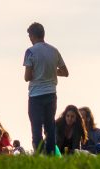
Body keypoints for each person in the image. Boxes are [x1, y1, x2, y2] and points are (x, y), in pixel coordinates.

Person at [23, 22, 69, 155]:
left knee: (36, 128)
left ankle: (38, 155)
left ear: (32, 35)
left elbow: (27, 76)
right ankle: (51, 155)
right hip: (51, 94)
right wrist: (52, 72)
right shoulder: (54, 51)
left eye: (29, 36)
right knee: (50, 127)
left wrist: (37, 72)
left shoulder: (30, 52)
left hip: (36, 95)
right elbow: (65, 72)